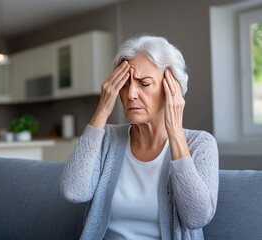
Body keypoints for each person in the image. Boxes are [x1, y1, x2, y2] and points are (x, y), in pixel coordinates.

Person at [61, 35, 219, 240]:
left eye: (144, 83)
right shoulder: (107, 138)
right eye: (124, 84)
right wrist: (102, 111)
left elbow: (196, 217)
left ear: (172, 89)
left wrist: (175, 131)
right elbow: (74, 192)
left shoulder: (201, 144)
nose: (131, 94)